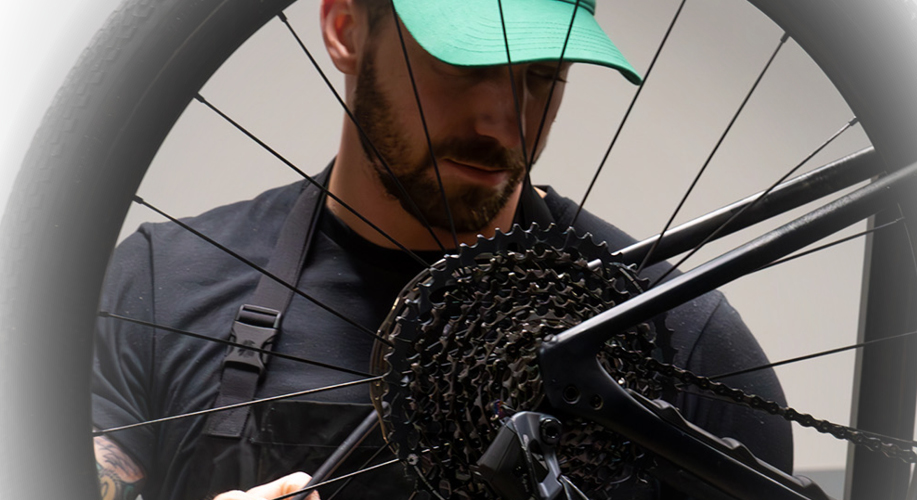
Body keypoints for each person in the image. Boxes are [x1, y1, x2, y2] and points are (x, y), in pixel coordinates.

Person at [91, 0, 793, 499]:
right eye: (464, 61)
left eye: (542, 75)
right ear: (345, 29)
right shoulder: (157, 285)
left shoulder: (675, 334)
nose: (503, 121)